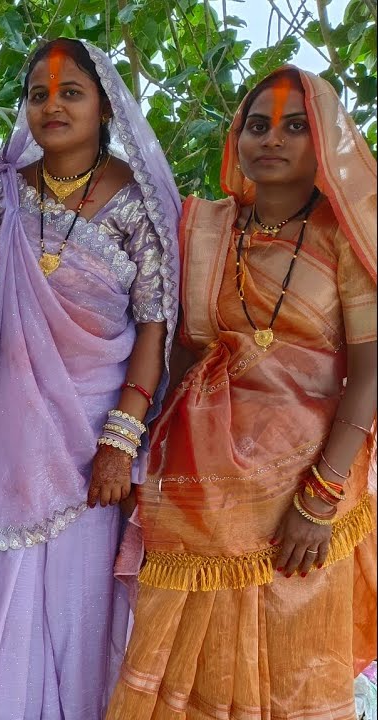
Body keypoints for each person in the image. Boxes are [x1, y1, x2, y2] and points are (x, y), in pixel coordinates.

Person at [108, 66, 377, 718]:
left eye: (295, 125)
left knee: (289, 678)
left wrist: (321, 494)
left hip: (302, 498)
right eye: (258, 124)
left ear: (324, 144)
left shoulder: (345, 239)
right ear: (237, 136)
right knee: (188, 673)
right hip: (200, 495)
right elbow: (178, 353)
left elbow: (370, 371)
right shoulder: (203, 228)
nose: (272, 139)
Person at [0, 38, 181, 718]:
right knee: (2, 575)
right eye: (39, 93)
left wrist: (122, 440)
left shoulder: (138, 205)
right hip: (8, 433)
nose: (52, 105)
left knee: (77, 597)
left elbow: (155, 327)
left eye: (70, 91)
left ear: (103, 104)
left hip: (91, 439)